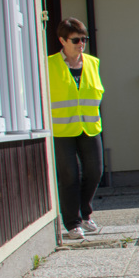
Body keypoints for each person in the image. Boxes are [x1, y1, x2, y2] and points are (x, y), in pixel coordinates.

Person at [48, 17, 105, 241]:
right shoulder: (49, 64)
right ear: (62, 40)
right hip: (62, 130)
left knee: (95, 171)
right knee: (69, 176)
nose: (81, 44)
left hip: (89, 127)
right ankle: (72, 223)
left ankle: (85, 213)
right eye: (76, 40)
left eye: (84, 39)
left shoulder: (93, 63)